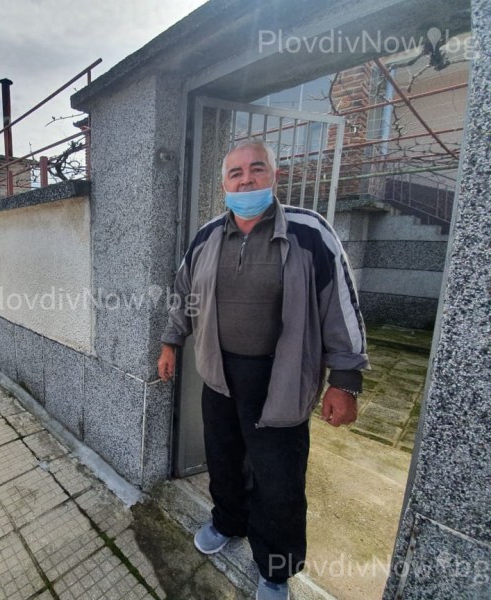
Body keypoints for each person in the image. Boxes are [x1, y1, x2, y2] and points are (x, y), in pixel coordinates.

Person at [157, 139, 368, 600]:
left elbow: (341, 307)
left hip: (283, 378)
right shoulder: (208, 236)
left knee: (280, 478)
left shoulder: (311, 232)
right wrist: (171, 341)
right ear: (224, 185)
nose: (246, 179)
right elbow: (183, 294)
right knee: (224, 458)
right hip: (218, 374)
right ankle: (227, 520)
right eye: (235, 173)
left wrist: (346, 380)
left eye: (256, 169)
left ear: (275, 176)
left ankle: (275, 568)